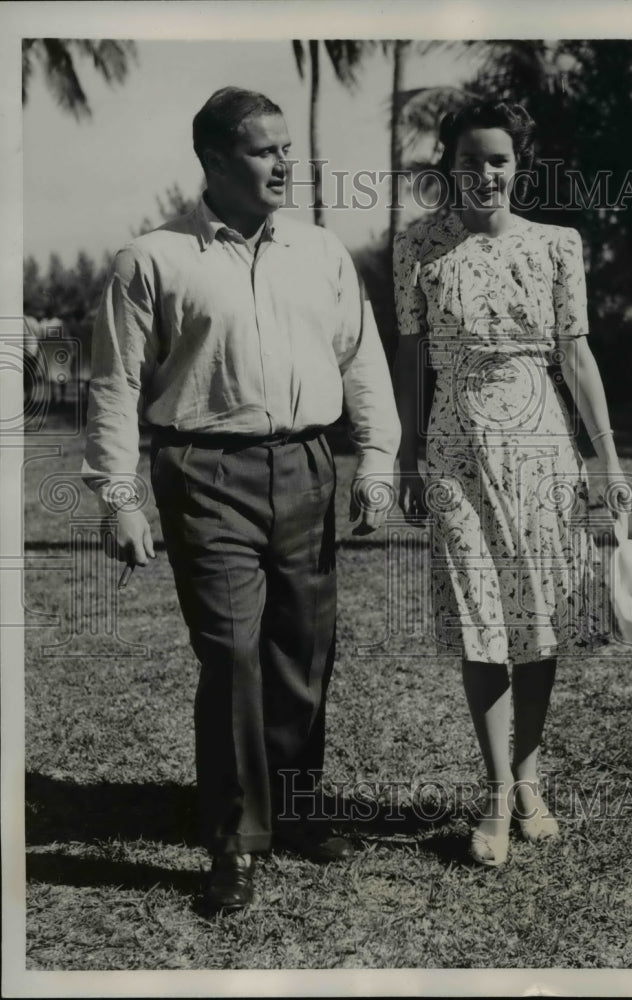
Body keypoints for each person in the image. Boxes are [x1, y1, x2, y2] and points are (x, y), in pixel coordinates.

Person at [83, 87, 400, 912]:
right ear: (215, 161)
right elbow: (113, 384)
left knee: (302, 649)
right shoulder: (151, 259)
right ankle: (234, 841)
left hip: (306, 466)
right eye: (265, 151)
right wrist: (119, 496)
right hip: (203, 471)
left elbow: (360, 357)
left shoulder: (320, 251)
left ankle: (292, 809)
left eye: (287, 148)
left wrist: (377, 459)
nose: (284, 164)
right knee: (232, 653)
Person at [393, 100, 629, 867]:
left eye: (499, 159)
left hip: (541, 450)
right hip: (455, 449)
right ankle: (497, 792)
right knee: (479, 617)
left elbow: (577, 356)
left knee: (535, 615)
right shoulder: (418, 244)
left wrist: (605, 457)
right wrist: (406, 452)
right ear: (449, 163)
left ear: (518, 164)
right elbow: (411, 357)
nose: (485, 173)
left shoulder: (558, 245)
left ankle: (529, 779)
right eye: (471, 159)